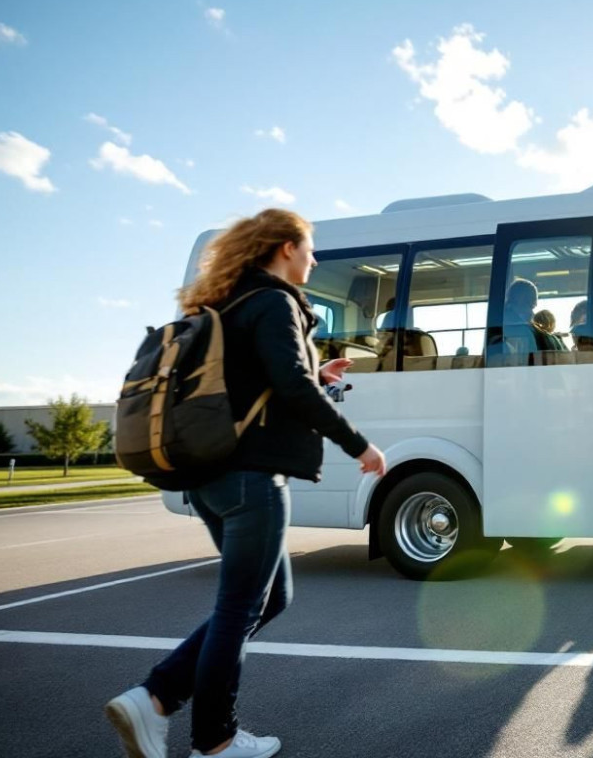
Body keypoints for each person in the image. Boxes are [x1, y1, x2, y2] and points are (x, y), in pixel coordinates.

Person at [104, 208, 387, 758]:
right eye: (309, 248)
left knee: (269, 595)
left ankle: (157, 697)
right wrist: (361, 445)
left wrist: (315, 373)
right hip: (250, 479)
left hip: (208, 478)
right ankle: (212, 738)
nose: (315, 258)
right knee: (240, 607)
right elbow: (291, 389)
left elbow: (264, 384)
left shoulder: (228, 304)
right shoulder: (274, 302)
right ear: (284, 247)